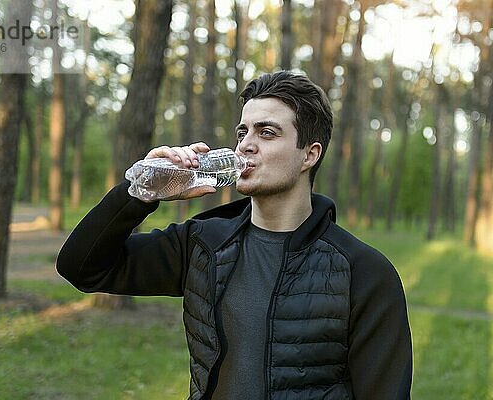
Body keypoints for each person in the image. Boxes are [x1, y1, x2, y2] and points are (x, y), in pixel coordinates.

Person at [56, 71, 412, 399]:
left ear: (309, 154)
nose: (245, 145)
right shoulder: (202, 245)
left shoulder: (364, 272)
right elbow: (82, 267)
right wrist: (139, 193)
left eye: (266, 132)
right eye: (243, 132)